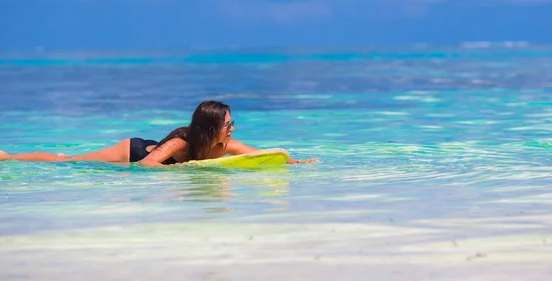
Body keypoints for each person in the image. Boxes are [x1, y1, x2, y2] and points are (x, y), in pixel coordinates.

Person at [0, 100, 317, 167]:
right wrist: (185, 169)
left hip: (153, 154)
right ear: (211, 129)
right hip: (136, 151)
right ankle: (7, 156)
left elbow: (260, 154)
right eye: (228, 124)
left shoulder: (226, 146)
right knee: (68, 160)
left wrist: (296, 163)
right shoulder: (181, 143)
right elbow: (145, 167)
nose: (233, 129)